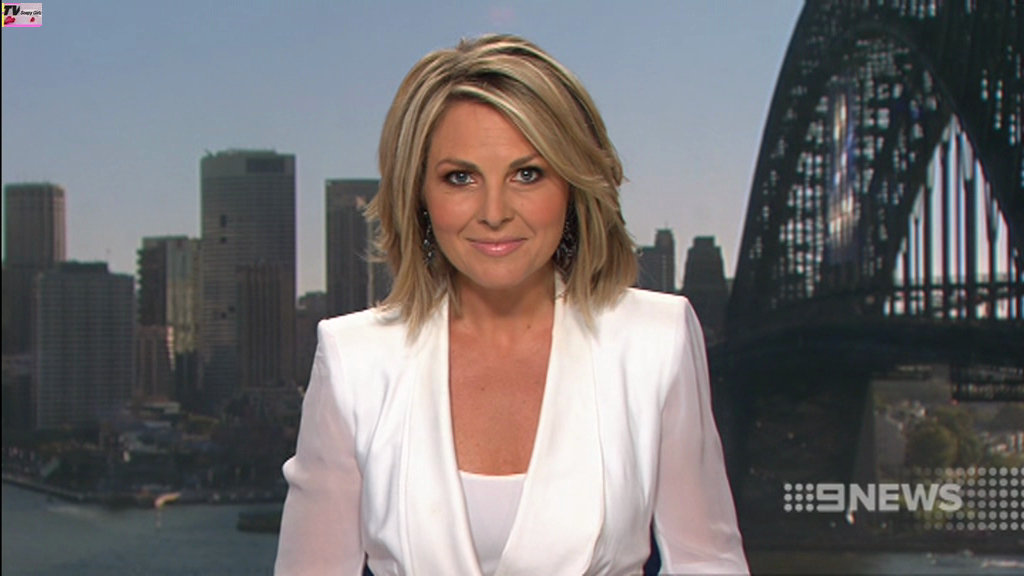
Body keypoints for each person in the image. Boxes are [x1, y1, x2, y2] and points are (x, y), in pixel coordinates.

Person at [274, 34, 748, 575]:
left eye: (527, 174)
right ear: (420, 195)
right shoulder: (354, 358)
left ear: (572, 185)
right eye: (460, 178)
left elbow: (709, 563)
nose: (494, 212)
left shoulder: (656, 340)